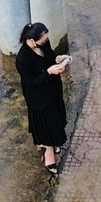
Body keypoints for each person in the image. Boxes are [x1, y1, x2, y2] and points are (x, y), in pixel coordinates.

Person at [15, 21, 69, 174]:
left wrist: (57, 59)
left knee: (57, 119)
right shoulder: (23, 59)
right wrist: (48, 72)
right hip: (38, 98)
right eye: (42, 41)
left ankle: (51, 143)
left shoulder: (43, 44)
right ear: (32, 41)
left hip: (52, 89)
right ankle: (48, 152)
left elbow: (50, 57)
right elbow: (30, 82)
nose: (45, 42)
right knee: (47, 124)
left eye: (46, 39)